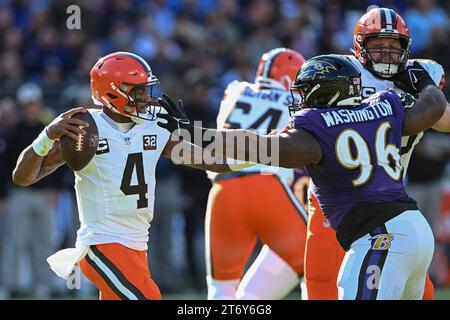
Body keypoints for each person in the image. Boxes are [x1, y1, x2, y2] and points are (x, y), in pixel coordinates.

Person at [156, 54, 447, 299]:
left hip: (379, 236)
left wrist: (191, 133)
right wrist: (422, 80)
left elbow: (255, 148)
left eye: (305, 91)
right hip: (415, 229)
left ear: (324, 93)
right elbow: (433, 107)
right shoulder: (382, 107)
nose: (299, 99)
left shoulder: (316, 130)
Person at [12, 51, 230, 300]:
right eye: (138, 91)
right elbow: (23, 178)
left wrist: (266, 157)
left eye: (146, 91)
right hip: (102, 244)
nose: (146, 98)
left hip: (137, 245)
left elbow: (214, 162)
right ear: (113, 92)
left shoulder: (155, 125)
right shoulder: (86, 130)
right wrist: (46, 136)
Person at [300, 7, 450, 300]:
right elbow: (306, 135)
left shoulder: (419, 78)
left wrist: (423, 87)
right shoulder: (342, 73)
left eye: (394, 46)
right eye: (378, 44)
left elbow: (444, 120)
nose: (386, 53)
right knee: (323, 290)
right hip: (336, 206)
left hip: (387, 205)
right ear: (359, 46)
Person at [205, 48, 307, 299]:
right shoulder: (295, 102)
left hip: (223, 189)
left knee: (221, 287)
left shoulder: (234, 91)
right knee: (315, 264)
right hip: (268, 185)